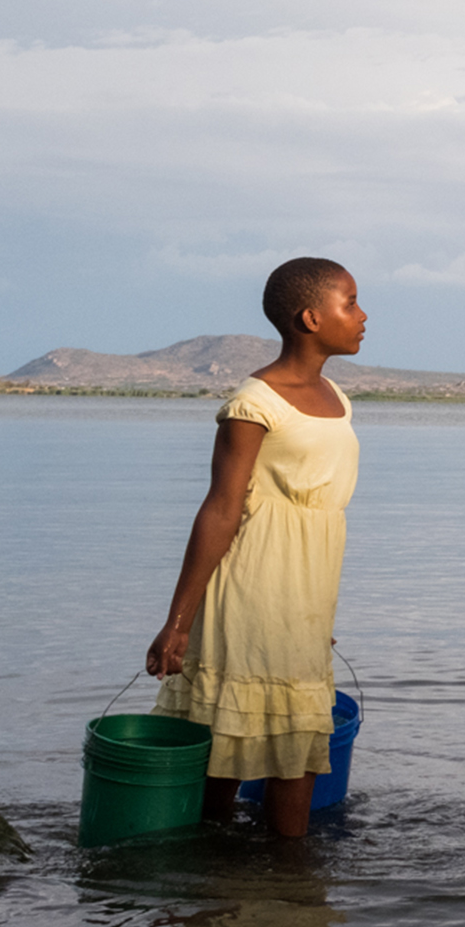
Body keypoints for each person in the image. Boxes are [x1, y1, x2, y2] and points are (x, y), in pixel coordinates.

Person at [146, 257, 366, 838]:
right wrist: (177, 623)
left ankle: (290, 900)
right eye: (351, 302)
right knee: (225, 747)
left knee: (298, 748)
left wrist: (312, 612)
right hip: (248, 591)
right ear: (311, 317)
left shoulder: (336, 397)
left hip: (300, 597)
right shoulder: (255, 402)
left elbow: (316, 517)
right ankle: (216, 879)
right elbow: (221, 509)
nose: (363, 316)